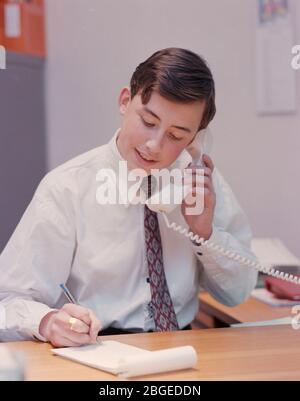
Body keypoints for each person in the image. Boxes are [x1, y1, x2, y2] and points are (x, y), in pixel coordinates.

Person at [0, 48, 257, 347]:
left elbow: (238, 293)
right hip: (95, 349)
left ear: (195, 139)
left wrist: (205, 234)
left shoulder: (199, 185)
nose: (154, 145)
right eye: (148, 122)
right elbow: (8, 300)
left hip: (182, 348)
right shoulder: (66, 187)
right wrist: (46, 322)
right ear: (125, 101)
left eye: (176, 136)